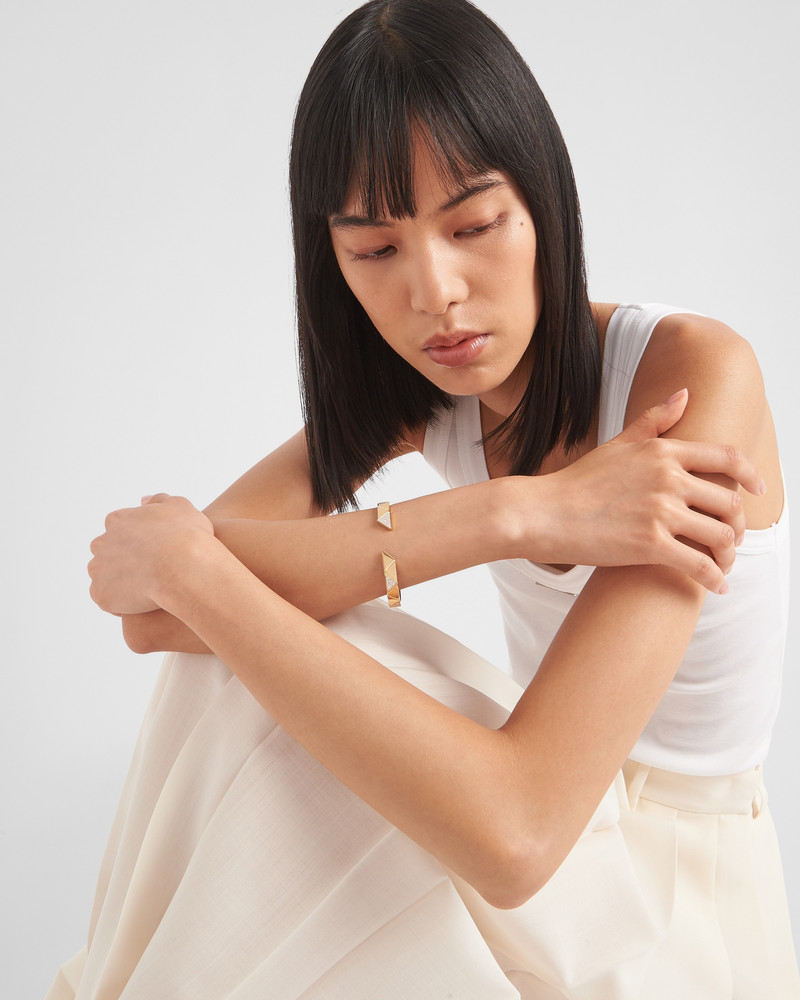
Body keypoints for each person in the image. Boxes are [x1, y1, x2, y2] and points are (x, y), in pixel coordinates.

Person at [48, 0, 797, 997]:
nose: (434, 292)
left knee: (255, 631)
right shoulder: (427, 396)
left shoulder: (692, 377)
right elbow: (153, 614)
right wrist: (515, 513)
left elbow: (520, 834)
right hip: (537, 859)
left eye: (473, 225)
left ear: (543, 203)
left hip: (668, 903)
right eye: (375, 250)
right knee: (230, 668)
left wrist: (196, 572)